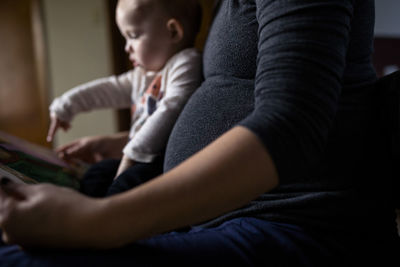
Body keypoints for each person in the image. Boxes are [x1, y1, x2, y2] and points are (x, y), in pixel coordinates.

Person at [0, 0, 399, 266]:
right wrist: (117, 144)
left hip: (291, 221)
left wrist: (94, 221)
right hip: (219, 215)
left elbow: (290, 126)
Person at [47, 0, 203, 196]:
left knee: (124, 185)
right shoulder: (143, 74)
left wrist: (131, 155)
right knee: (97, 173)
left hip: (158, 163)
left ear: (173, 32)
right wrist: (66, 105)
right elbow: (108, 89)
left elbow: (171, 109)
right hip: (135, 157)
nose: (126, 48)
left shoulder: (185, 64)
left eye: (133, 36)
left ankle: (100, 219)